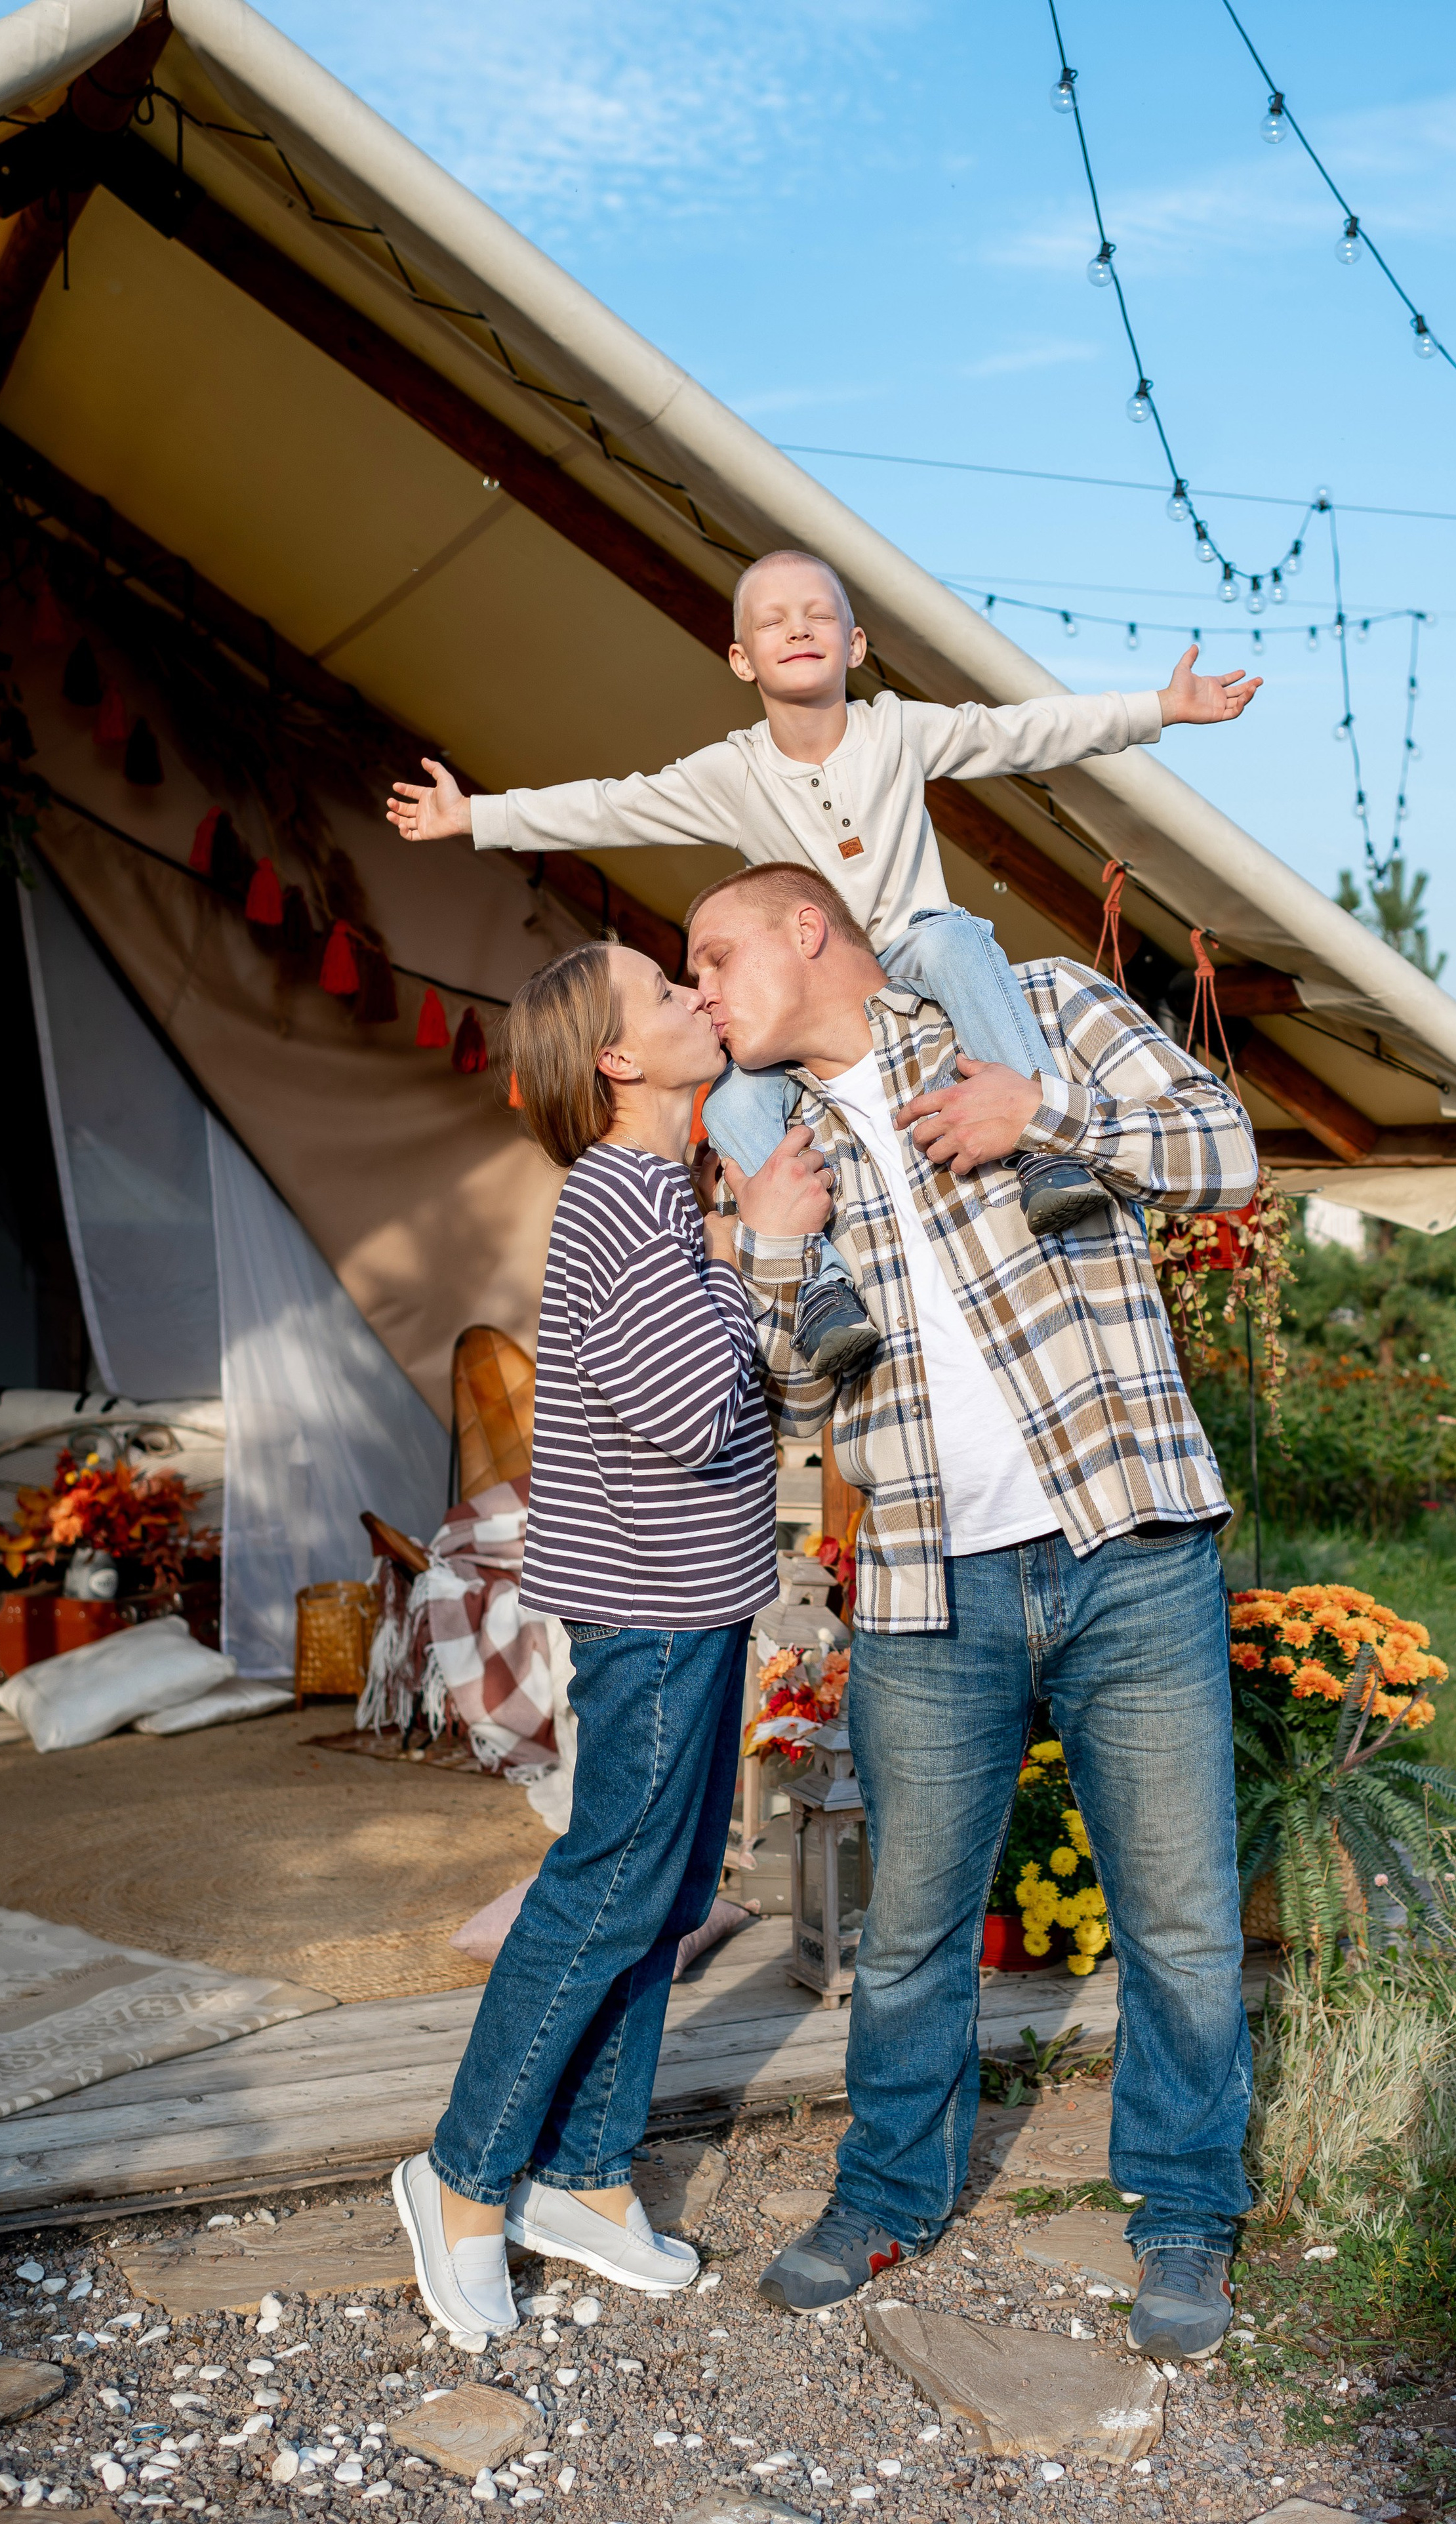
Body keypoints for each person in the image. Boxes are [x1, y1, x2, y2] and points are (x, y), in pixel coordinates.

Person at [685, 861, 1258, 2362]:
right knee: (910, 1930)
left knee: (1180, 1919)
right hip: (924, 1579)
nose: (700, 992)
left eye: (713, 955)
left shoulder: (1035, 1010)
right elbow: (789, 1403)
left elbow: (1225, 1150)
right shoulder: (768, 1141)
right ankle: (888, 2190)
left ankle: (1185, 2206)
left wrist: (1041, 1115)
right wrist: (768, 1241)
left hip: (1127, 1539)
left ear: (806, 928)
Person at [386, 550, 1260, 1380]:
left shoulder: (900, 731)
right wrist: (476, 818)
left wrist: (1159, 708)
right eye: (772, 621)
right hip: (813, 1001)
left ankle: (1045, 1154)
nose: (797, 628)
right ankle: (821, 1289)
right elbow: (611, 806)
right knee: (730, 1103)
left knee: (955, 939)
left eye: (818, 616)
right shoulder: (732, 773)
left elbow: (1026, 731)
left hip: (915, 954)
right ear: (741, 658)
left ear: (856, 645)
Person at [392, 939, 800, 2348]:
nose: (698, 993)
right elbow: (690, 1413)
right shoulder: (617, 1198)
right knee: (609, 1886)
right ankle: (462, 2178)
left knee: (665, 1889)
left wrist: (727, 1239)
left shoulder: (657, 1191)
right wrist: (753, 1247)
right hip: (653, 1605)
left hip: (698, 1595)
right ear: (618, 1059)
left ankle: (583, 2175)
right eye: (667, 991)